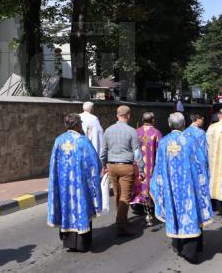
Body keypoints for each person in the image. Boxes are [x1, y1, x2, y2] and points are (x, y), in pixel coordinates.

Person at [150, 112, 213, 264]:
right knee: (191, 213)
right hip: (190, 186)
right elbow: (201, 162)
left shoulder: (164, 142)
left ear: (169, 124)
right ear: (184, 124)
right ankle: (191, 251)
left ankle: (178, 245)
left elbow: (158, 167)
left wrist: (157, 185)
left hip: (172, 188)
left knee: (175, 212)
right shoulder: (190, 141)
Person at [47, 113, 102, 252]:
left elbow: (53, 164)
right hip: (80, 184)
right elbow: (94, 162)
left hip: (64, 184)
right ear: (77, 125)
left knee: (67, 208)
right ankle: (82, 243)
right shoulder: (82, 141)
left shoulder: (59, 140)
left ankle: (70, 243)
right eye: (80, 123)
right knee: (81, 207)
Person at [101, 105, 145, 237]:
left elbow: (103, 151)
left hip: (112, 166)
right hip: (126, 167)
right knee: (125, 196)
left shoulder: (108, 130)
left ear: (117, 115)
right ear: (129, 116)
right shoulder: (132, 131)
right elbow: (137, 152)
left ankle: (122, 219)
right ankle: (120, 225)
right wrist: (141, 169)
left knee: (117, 194)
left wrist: (103, 166)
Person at [130, 112, 162, 213]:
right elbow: (160, 151)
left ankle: (138, 203)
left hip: (137, 164)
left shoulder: (136, 132)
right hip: (151, 166)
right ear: (153, 120)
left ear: (143, 120)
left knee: (138, 181)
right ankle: (150, 204)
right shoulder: (157, 133)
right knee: (149, 182)